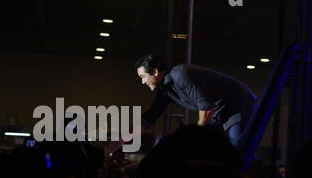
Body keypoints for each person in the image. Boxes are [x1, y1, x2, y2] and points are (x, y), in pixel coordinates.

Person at [109, 54, 257, 154]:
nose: (142, 82)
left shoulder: (181, 74)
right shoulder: (165, 92)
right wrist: (120, 142)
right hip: (219, 112)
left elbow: (205, 106)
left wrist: (196, 136)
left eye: (143, 77)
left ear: (154, 71)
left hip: (238, 104)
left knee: (238, 150)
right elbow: (149, 118)